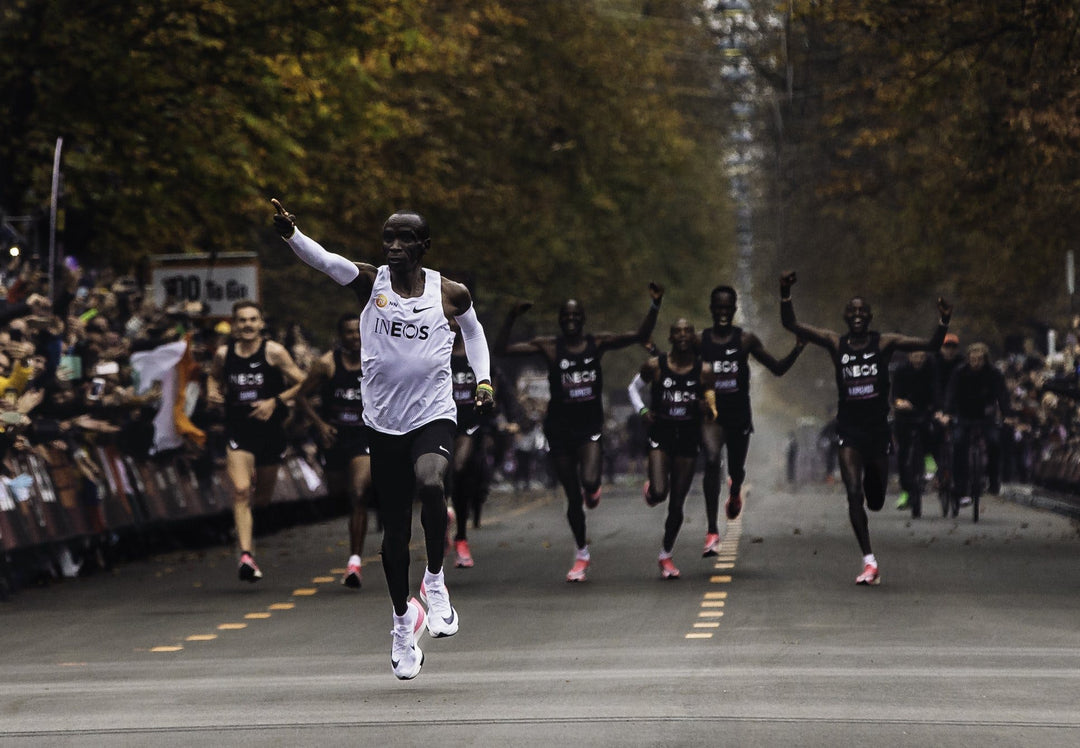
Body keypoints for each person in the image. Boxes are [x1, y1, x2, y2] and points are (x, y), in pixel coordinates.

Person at [272, 198, 494, 681]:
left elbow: (474, 335)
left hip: (433, 414)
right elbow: (325, 261)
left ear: (424, 245)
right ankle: (402, 622)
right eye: (388, 237)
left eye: (404, 238)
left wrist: (483, 382)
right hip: (383, 423)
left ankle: (435, 582)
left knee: (432, 483)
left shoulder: (450, 293)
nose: (394, 246)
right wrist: (292, 234)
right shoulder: (370, 283)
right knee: (394, 534)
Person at [779, 271, 951, 585]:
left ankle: (873, 519)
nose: (857, 315)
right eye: (852, 311)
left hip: (877, 430)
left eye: (862, 311)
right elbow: (791, 324)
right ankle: (869, 561)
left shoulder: (884, 342)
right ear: (845, 317)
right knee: (854, 493)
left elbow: (930, 344)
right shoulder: (836, 343)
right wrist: (785, 293)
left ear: (870, 317)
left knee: (875, 500)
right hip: (849, 429)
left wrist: (943, 321)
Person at [495, 284, 663, 582]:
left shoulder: (596, 343)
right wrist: (511, 316)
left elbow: (638, 335)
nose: (570, 320)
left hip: (589, 427)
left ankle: (593, 489)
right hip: (559, 429)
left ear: (583, 319)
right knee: (573, 497)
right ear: (560, 320)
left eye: (576, 315)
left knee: (589, 480)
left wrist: (655, 305)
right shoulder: (549, 346)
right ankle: (582, 553)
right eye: (566, 316)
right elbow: (502, 350)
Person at [696, 284, 805, 556]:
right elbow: (681, 370)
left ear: (734, 310)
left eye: (727, 308)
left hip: (739, 415)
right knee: (711, 462)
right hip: (711, 417)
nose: (723, 312)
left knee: (736, 470)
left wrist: (797, 348)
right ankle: (712, 532)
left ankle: (735, 492)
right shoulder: (700, 341)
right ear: (711, 309)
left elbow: (776, 369)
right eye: (718, 307)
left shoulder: (745, 340)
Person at [207, 300, 305, 583]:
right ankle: (246, 556)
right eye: (242, 320)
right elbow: (213, 378)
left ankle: (246, 530)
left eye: (253, 319)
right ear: (234, 325)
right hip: (238, 430)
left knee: (260, 498)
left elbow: (303, 381)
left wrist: (275, 402)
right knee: (240, 490)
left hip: (270, 434)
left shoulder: (274, 352)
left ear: (261, 323)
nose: (247, 325)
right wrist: (212, 391)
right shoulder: (224, 354)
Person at [627, 318, 716, 578]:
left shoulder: (704, 371)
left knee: (677, 504)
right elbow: (633, 388)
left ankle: (666, 554)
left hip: (688, 439)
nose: (683, 335)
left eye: (688, 331)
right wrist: (643, 411)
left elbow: (713, 409)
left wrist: (706, 408)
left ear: (693, 338)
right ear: (670, 337)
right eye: (678, 331)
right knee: (660, 492)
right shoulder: (655, 366)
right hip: (661, 435)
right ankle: (653, 491)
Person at [294, 312, 374, 589]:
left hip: (364, 436)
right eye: (349, 332)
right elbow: (301, 395)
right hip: (335, 437)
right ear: (340, 336)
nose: (354, 337)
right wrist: (320, 425)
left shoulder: (374, 360)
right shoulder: (327, 364)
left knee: (359, 493)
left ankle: (354, 561)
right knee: (340, 494)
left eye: (358, 331)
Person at [942, 342, 1010, 508]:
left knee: (994, 442)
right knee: (959, 444)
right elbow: (951, 393)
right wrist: (947, 412)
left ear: (985, 359)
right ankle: (960, 487)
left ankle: (993, 479)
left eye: (980, 359)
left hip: (985, 415)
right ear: (968, 359)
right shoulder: (959, 372)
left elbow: (1002, 394)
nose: (976, 363)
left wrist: (1006, 414)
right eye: (973, 359)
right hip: (964, 414)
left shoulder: (994, 373)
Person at [890, 350, 940, 515]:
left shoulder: (931, 369)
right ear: (909, 356)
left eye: (921, 356)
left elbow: (936, 391)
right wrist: (899, 403)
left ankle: (928, 458)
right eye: (915, 356)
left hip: (925, 410)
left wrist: (935, 408)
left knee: (931, 431)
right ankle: (905, 491)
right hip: (905, 414)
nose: (918, 360)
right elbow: (895, 394)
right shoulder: (901, 370)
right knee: (903, 453)